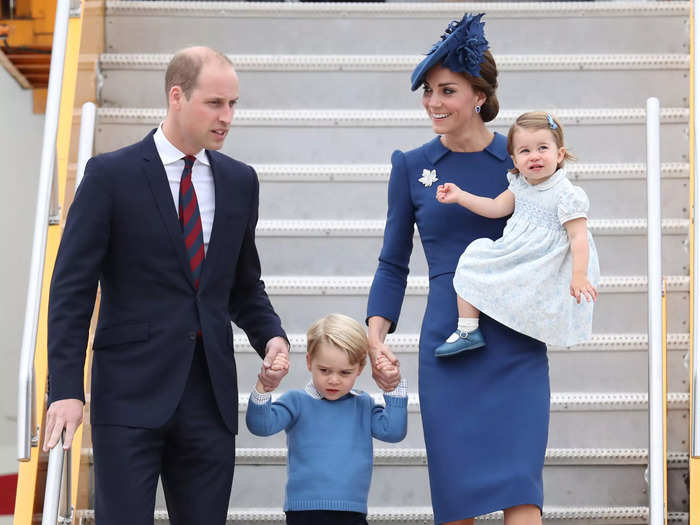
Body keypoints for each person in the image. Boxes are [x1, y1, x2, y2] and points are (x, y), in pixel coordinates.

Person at [43, 46, 290, 525]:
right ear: (177, 96)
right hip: (128, 397)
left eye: (233, 104)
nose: (227, 117)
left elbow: (242, 285)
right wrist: (66, 389)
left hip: (209, 399)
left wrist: (271, 336)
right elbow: (72, 290)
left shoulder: (241, 181)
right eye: (215, 103)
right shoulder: (110, 176)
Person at [367, 13, 551, 525]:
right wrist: (376, 332)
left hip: (517, 341)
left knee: (522, 489)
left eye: (446, 90)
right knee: (456, 499)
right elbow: (392, 261)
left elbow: (559, 232)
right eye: (427, 91)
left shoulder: (522, 161)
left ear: (478, 95)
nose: (432, 102)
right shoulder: (410, 165)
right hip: (449, 344)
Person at [434, 111, 599, 356]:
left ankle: (522, 326)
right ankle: (468, 329)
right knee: (474, 258)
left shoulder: (566, 194)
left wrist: (579, 275)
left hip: (546, 263)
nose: (534, 156)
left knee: (535, 294)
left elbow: (578, 237)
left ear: (560, 154)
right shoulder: (520, 184)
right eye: (525, 151)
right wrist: (461, 196)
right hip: (517, 253)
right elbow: (495, 207)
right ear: (514, 159)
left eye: (543, 148)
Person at [246, 313, 407, 525]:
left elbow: (394, 431)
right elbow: (260, 426)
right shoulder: (296, 402)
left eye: (345, 372)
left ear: (360, 368)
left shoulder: (363, 404)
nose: (333, 380)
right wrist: (264, 388)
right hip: (304, 512)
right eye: (324, 370)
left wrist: (393, 386)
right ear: (309, 362)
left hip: (352, 512)